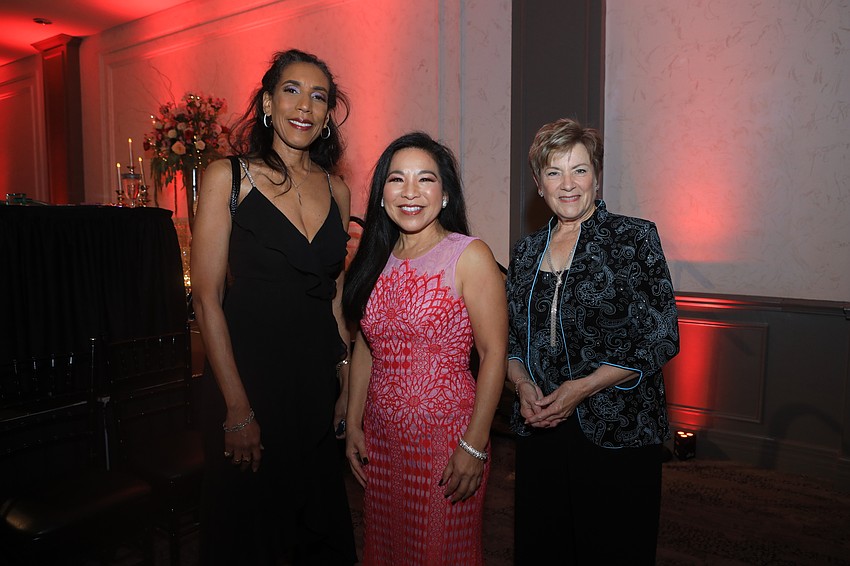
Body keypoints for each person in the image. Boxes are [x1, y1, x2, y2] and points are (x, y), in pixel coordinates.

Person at [191, 49, 357, 565]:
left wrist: (346, 380)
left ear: (328, 114)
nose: (304, 106)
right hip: (247, 380)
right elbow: (207, 298)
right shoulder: (228, 178)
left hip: (313, 386)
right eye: (292, 90)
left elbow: (333, 296)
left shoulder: (339, 190)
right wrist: (238, 409)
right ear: (267, 101)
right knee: (251, 533)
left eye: (319, 96)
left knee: (314, 530)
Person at [506, 118, 680, 565]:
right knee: (544, 545)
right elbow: (509, 341)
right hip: (540, 427)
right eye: (554, 172)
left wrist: (581, 388)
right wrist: (523, 387)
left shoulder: (635, 238)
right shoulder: (525, 252)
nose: (568, 184)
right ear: (538, 183)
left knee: (613, 547)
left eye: (579, 170)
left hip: (618, 428)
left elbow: (660, 336)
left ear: (596, 176)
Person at [342, 132, 507, 565]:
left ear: (446, 193)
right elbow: (366, 346)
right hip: (382, 441)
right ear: (381, 196)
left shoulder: (469, 255)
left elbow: (493, 354)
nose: (410, 192)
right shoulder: (373, 258)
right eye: (397, 180)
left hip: (447, 443)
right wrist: (353, 423)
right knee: (387, 549)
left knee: (440, 553)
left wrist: (475, 444)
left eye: (426, 179)